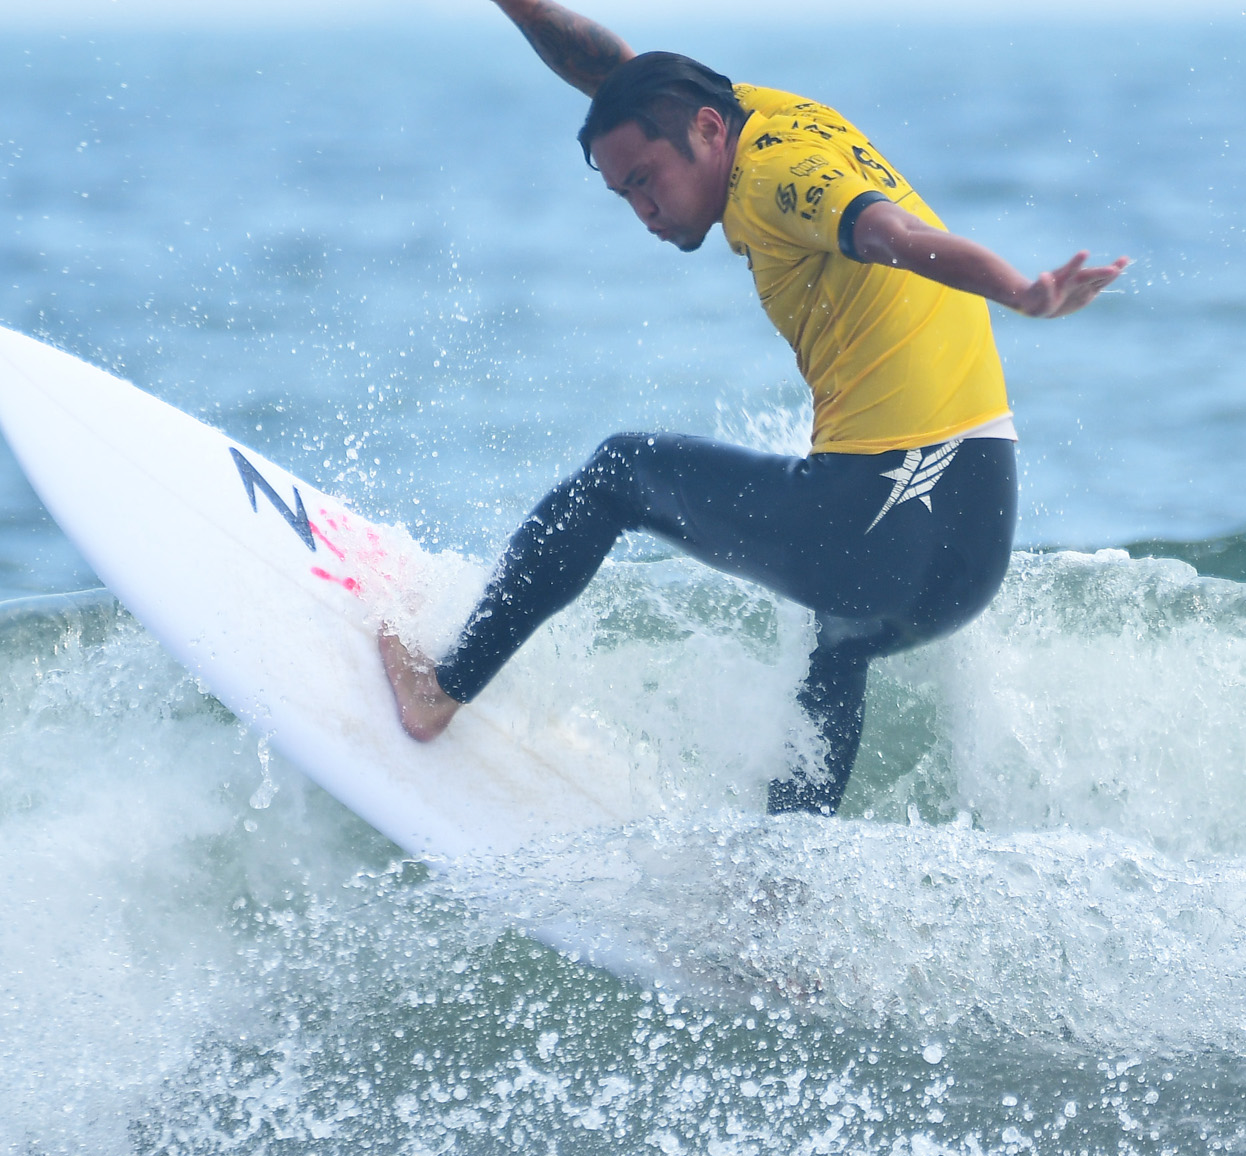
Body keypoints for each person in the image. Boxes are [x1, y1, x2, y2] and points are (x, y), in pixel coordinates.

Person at [381, 0, 1127, 815]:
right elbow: (616, 75)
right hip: (969, 546)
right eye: (623, 192)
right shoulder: (748, 113)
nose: (641, 211)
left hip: (882, 525)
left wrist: (1018, 291)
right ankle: (784, 877)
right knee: (840, 640)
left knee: (618, 473)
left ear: (707, 133)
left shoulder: (776, 180)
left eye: (644, 183)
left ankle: (441, 688)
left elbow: (890, 234)